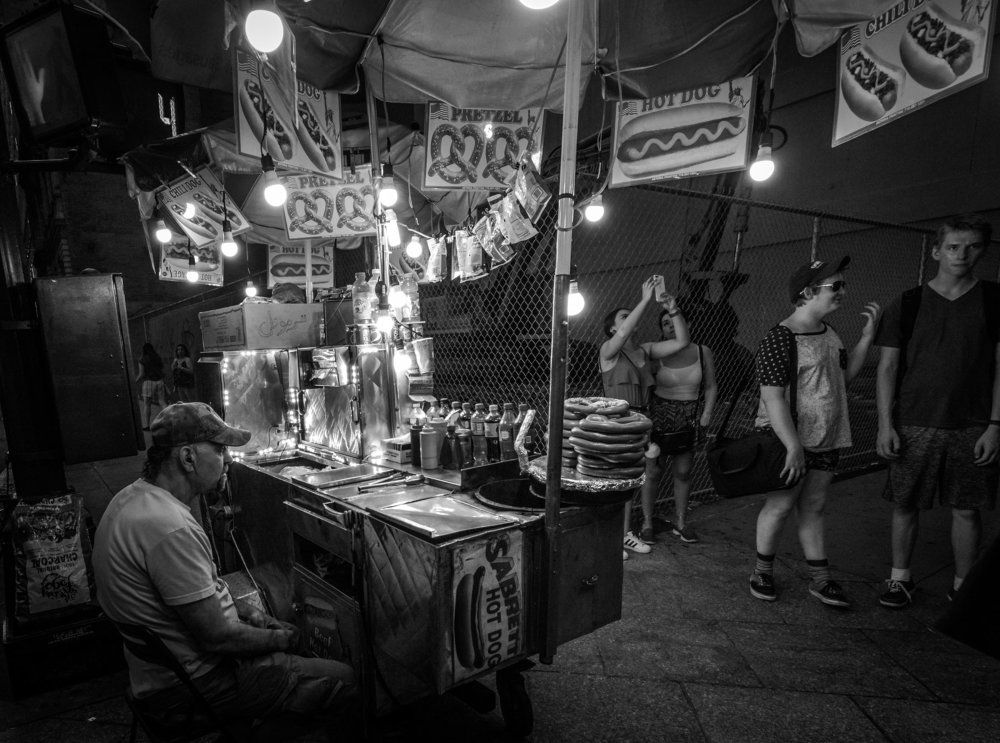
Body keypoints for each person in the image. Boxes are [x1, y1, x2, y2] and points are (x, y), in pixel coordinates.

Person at [92, 403, 357, 735]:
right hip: (193, 688)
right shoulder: (169, 528)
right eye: (219, 450)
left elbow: (201, 590)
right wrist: (280, 639)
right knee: (347, 681)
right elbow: (218, 638)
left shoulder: (130, 499)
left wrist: (252, 615)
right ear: (188, 458)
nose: (230, 459)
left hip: (158, 677)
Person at [875, 214, 999, 609]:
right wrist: (884, 424)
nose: (962, 254)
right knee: (905, 504)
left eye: (972, 246)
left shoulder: (994, 301)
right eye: (952, 246)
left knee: (966, 509)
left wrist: (996, 425)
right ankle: (899, 581)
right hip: (913, 422)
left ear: (983, 250)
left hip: (972, 424)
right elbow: (888, 367)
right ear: (936, 252)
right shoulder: (909, 303)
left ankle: (963, 587)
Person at [748, 257, 880, 607]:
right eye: (835, 286)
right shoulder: (780, 337)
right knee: (780, 504)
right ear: (807, 293)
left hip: (828, 437)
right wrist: (793, 446)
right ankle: (762, 570)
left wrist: (866, 340)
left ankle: (820, 579)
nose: (842, 291)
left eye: (842, 284)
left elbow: (842, 378)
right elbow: (772, 397)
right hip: (790, 440)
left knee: (815, 505)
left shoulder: (829, 332)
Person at [599, 276, 691, 558]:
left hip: (642, 421)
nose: (629, 320)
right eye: (623, 318)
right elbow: (624, 333)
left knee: (637, 477)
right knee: (618, 478)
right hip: (618, 420)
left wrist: (672, 308)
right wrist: (643, 301)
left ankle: (625, 533)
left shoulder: (646, 350)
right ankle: (612, 535)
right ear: (614, 328)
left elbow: (682, 341)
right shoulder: (608, 352)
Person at [644, 307, 718, 544]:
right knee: (653, 471)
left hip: (689, 415)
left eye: (674, 321)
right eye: (665, 323)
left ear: (687, 324)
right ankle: (646, 522)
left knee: (684, 471)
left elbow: (711, 386)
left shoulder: (702, 351)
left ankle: (681, 521)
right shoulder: (655, 353)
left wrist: (707, 413)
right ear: (661, 329)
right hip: (659, 415)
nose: (670, 326)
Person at [136, 343, 166, 429]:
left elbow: (141, 374)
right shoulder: (157, 358)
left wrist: (135, 381)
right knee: (162, 401)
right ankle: (169, 419)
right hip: (159, 381)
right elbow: (161, 370)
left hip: (148, 382)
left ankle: (147, 425)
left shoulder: (142, 359)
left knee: (147, 404)